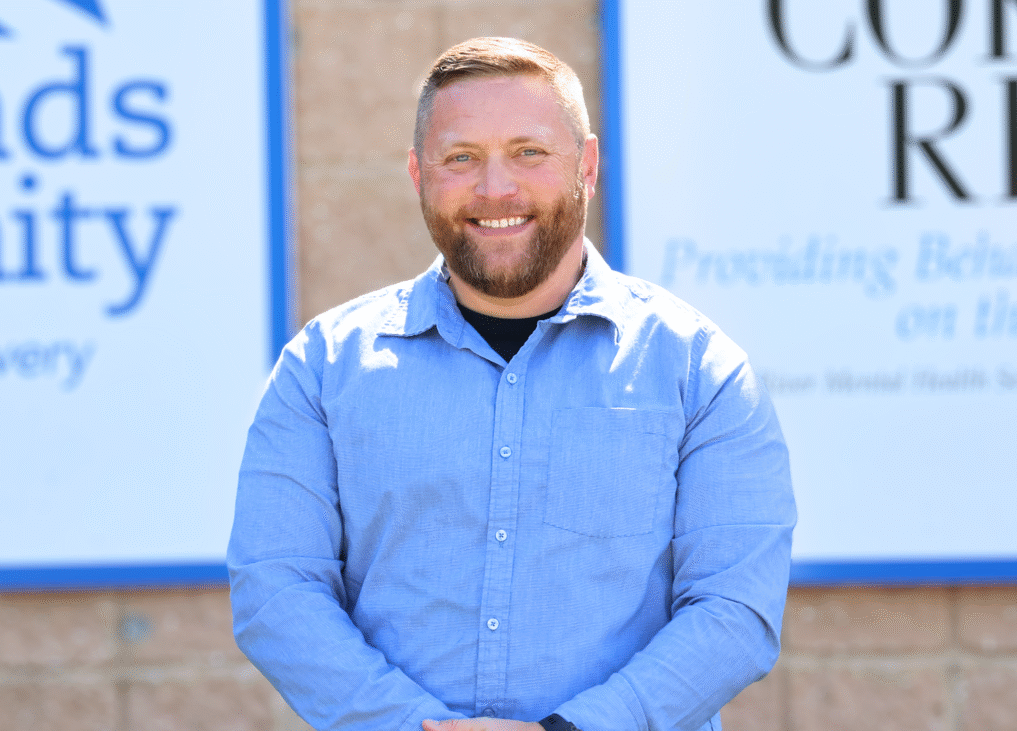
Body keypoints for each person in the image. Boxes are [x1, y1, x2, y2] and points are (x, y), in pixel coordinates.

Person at [228, 37, 796, 731]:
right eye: (461, 157)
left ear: (586, 165)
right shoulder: (321, 369)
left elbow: (735, 611)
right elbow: (276, 591)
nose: (495, 188)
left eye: (529, 152)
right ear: (417, 173)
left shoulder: (698, 370)